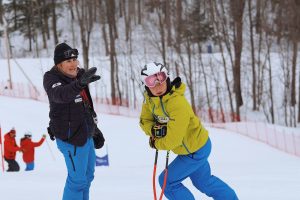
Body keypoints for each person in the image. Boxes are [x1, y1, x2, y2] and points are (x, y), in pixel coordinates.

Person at [139, 62, 238, 200]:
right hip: (192, 148)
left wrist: (156, 143)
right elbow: (144, 121)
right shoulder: (150, 101)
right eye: (151, 81)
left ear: (166, 78)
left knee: (167, 182)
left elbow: (173, 140)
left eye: (160, 77)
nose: (157, 85)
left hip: (196, 150)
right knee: (204, 182)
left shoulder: (177, 103)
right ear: (146, 85)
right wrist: (155, 130)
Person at [43, 42, 105, 200]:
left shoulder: (80, 76)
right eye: (68, 61)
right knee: (77, 181)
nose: (73, 64)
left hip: (86, 135)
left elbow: (85, 106)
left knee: (87, 177)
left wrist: (94, 129)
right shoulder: (52, 78)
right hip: (71, 138)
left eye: (75, 60)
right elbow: (61, 95)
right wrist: (80, 84)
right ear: (59, 65)